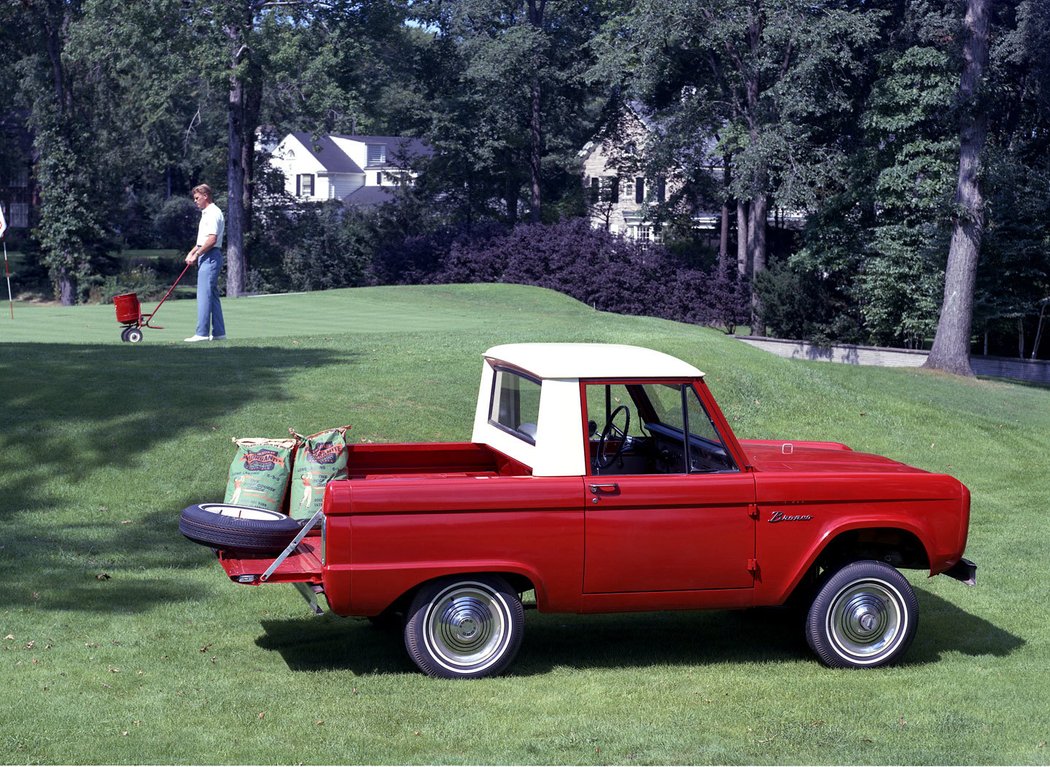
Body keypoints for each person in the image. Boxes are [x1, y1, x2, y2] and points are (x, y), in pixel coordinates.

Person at [184, 184, 226, 342]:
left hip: (210, 256)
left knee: (204, 295)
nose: (195, 201)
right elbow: (202, 240)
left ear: (205, 196)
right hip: (206, 254)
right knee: (212, 295)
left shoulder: (213, 213)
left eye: (197, 198)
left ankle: (201, 333)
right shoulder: (206, 213)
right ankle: (219, 333)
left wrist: (198, 254)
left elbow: (212, 239)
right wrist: (192, 252)